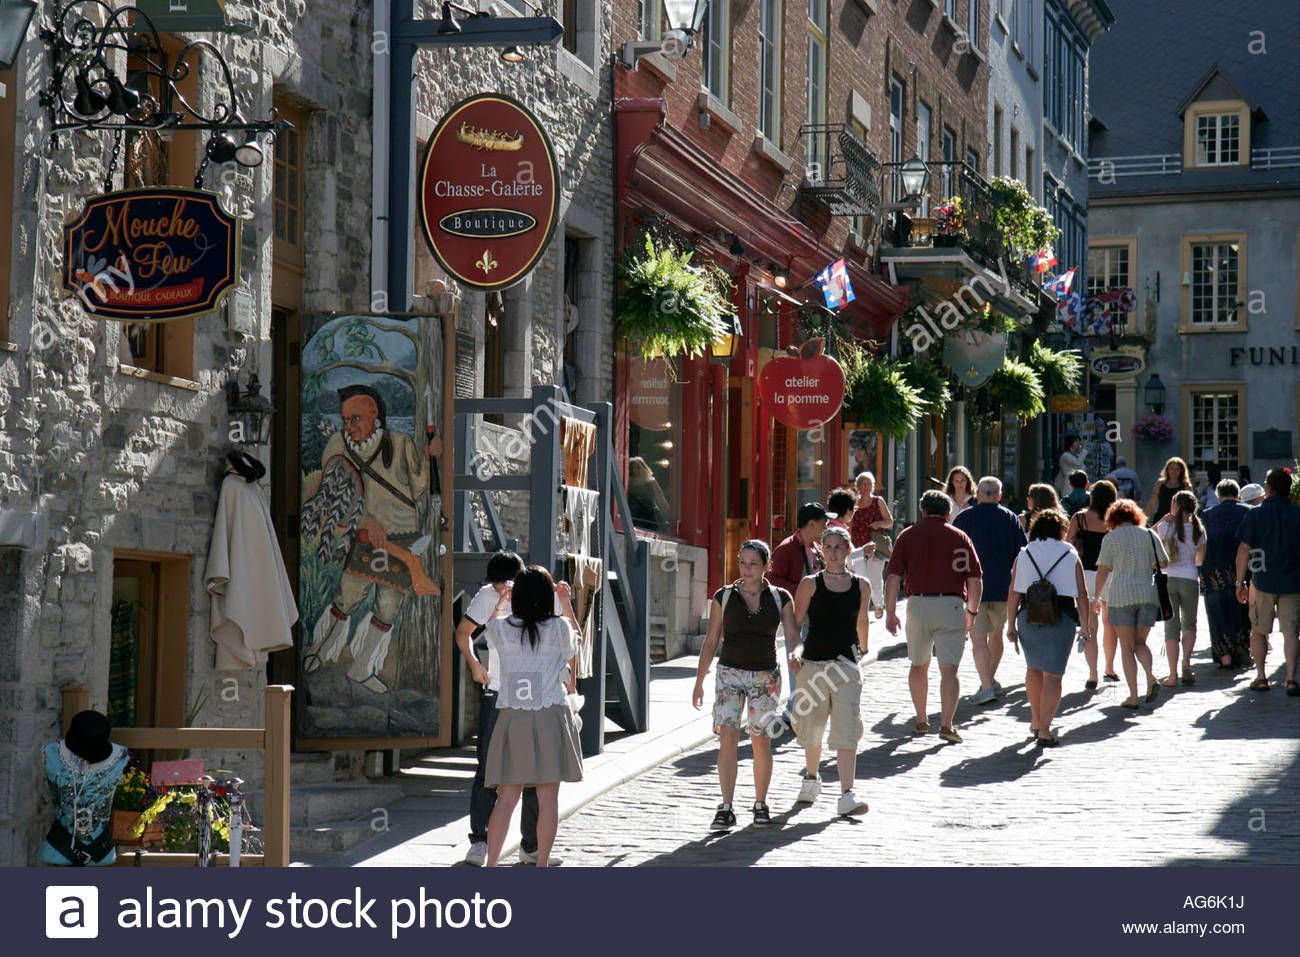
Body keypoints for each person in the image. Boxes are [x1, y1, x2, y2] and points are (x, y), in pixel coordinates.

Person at [300, 384, 438, 691]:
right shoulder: (337, 444)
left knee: (387, 608)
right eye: (346, 420)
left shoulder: (400, 443)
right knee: (347, 597)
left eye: (356, 419)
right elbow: (333, 494)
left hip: (403, 536)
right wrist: (364, 521)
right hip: (362, 535)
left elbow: (418, 487)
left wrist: (429, 457)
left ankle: (363, 669)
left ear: (374, 413)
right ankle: (319, 654)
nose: (350, 426)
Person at [455, 551, 569, 866]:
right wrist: (475, 664)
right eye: (496, 584)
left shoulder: (529, 602)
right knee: (489, 773)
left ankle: (529, 845)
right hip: (502, 696)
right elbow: (464, 632)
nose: (501, 587)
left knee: (525, 787)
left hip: (525, 703)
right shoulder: (489, 599)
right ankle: (480, 840)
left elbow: (564, 637)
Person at [692, 540, 800, 829]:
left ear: (767, 566)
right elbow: (712, 639)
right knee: (727, 736)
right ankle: (726, 806)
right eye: (742, 562)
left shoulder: (781, 597)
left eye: (753, 563)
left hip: (765, 676)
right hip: (729, 674)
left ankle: (760, 803)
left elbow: (793, 635)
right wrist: (700, 680)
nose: (747, 568)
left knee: (760, 740)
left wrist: (795, 653)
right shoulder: (723, 596)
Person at [482, 566, 583, 867]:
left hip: (513, 717)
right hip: (550, 713)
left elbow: (489, 627)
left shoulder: (503, 629)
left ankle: (490, 866)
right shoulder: (558, 628)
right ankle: (541, 865)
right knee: (547, 797)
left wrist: (502, 600)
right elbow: (575, 644)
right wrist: (565, 604)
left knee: (506, 798)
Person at [885, 490, 983, 743]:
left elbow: (893, 577)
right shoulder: (960, 537)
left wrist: (891, 612)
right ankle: (947, 725)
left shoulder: (907, 536)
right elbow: (975, 579)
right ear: (948, 513)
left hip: (918, 605)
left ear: (923, 511)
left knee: (918, 665)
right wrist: (971, 611)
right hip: (951, 604)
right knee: (949, 670)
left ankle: (921, 719)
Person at [790, 527, 871, 816]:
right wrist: (795, 651)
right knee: (810, 728)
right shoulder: (810, 584)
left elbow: (862, 620)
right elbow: (796, 625)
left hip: (847, 667)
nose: (834, 551)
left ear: (849, 549)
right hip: (813, 665)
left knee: (847, 729)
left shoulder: (861, 585)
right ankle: (811, 778)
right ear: (821, 550)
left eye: (839, 546)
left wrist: (864, 648)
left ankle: (847, 793)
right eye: (828, 546)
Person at [1006, 509, 1090, 746]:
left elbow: (1013, 592)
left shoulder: (1025, 553)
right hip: (1061, 617)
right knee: (1053, 675)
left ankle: (1035, 720)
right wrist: (1086, 626)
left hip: (1028, 616)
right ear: (1061, 530)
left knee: (1033, 670)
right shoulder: (1070, 553)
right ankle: (1045, 729)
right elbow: (1082, 595)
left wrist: (1010, 623)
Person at [953, 476, 1027, 705]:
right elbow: (1021, 553)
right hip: (1005, 586)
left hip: (973, 588)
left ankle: (986, 685)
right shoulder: (1010, 518)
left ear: (977, 494)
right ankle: (990, 681)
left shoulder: (965, 518)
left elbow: (954, 554)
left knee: (978, 639)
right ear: (999, 495)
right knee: (996, 635)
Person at [1093, 500, 1169, 710]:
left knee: (1127, 648)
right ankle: (1151, 678)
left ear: (1113, 518)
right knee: (1140, 644)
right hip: (1147, 595)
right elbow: (1163, 563)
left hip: (1120, 597)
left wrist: (1096, 598)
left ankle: (1133, 696)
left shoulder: (1111, 538)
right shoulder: (1149, 534)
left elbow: (1103, 570)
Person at [1235, 468, 1300, 695]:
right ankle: (1291, 678)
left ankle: (1261, 677)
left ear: (1268, 488)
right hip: (1293, 581)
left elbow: (1244, 549)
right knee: (1291, 632)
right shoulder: (1297, 513)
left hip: (1262, 579)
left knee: (1259, 630)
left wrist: (1239, 582)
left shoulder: (1255, 514)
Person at [771, 502, 830, 711]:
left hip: (816, 617)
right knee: (798, 663)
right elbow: (774, 583)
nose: (826, 526)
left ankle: (800, 707)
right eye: (823, 522)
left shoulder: (816, 547)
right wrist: (804, 590)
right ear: (811, 524)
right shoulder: (786, 549)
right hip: (797, 617)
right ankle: (795, 710)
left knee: (812, 665)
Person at [1067, 479, 1119, 687]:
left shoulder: (1080, 518)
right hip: (1111, 574)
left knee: (1090, 626)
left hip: (1087, 573)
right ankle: (1110, 667)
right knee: (1110, 624)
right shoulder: (1116, 520)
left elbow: (1069, 544)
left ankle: (1093, 673)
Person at [1153, 490, 1206, 687]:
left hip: (1169, 579)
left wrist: (1163, 519)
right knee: (1190, 624)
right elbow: (1200, 559)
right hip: (1190, 579)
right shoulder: (1199, 529)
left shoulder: (1166, 527)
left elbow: (1150, 535)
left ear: (1175, 506)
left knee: (1171, 628)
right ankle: (1186, 662)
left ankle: (1173, 674)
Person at [1199, 479, 1253, 669]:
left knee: (1217, 615)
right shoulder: (1249, 511)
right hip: (1244, 572)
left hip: (1214, 573)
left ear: (1218, 496)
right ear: (1237, 494)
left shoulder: (1206, 515)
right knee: (1243, 614)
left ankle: (1226, 657)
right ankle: (1243, 648)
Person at [849, 472, 892, 620]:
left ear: (873, 485)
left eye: (868, 483)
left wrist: (879, 524)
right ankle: (862, 609)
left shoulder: (877, 501)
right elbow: (848, 524)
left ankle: (878, 605)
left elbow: (889, 521)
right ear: (858, 486)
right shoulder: (854, 503)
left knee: (874, 577)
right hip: (858, 546)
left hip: (875, 545)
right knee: (860, 578)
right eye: (862, 483)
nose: (865, 486)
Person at [627, 456, 671, 533]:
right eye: (633, 468)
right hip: (634, 513)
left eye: (638, 467)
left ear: (642, 467)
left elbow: (660, 498)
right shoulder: (629, 482)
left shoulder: (651, 482)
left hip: (649, 513)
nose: (636, 470)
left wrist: (669, 515)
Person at [1146, 456, 1192, 528]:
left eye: (1177, 469)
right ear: (1167, 470)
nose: (1174, 471)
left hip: (1179, 520)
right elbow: (1152, 503)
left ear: (1181, 471)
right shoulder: (1160, 483)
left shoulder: (1185, 486)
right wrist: (1144, 519)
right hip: (1161, 518)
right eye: (1171, 469)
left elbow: (1190, 506)